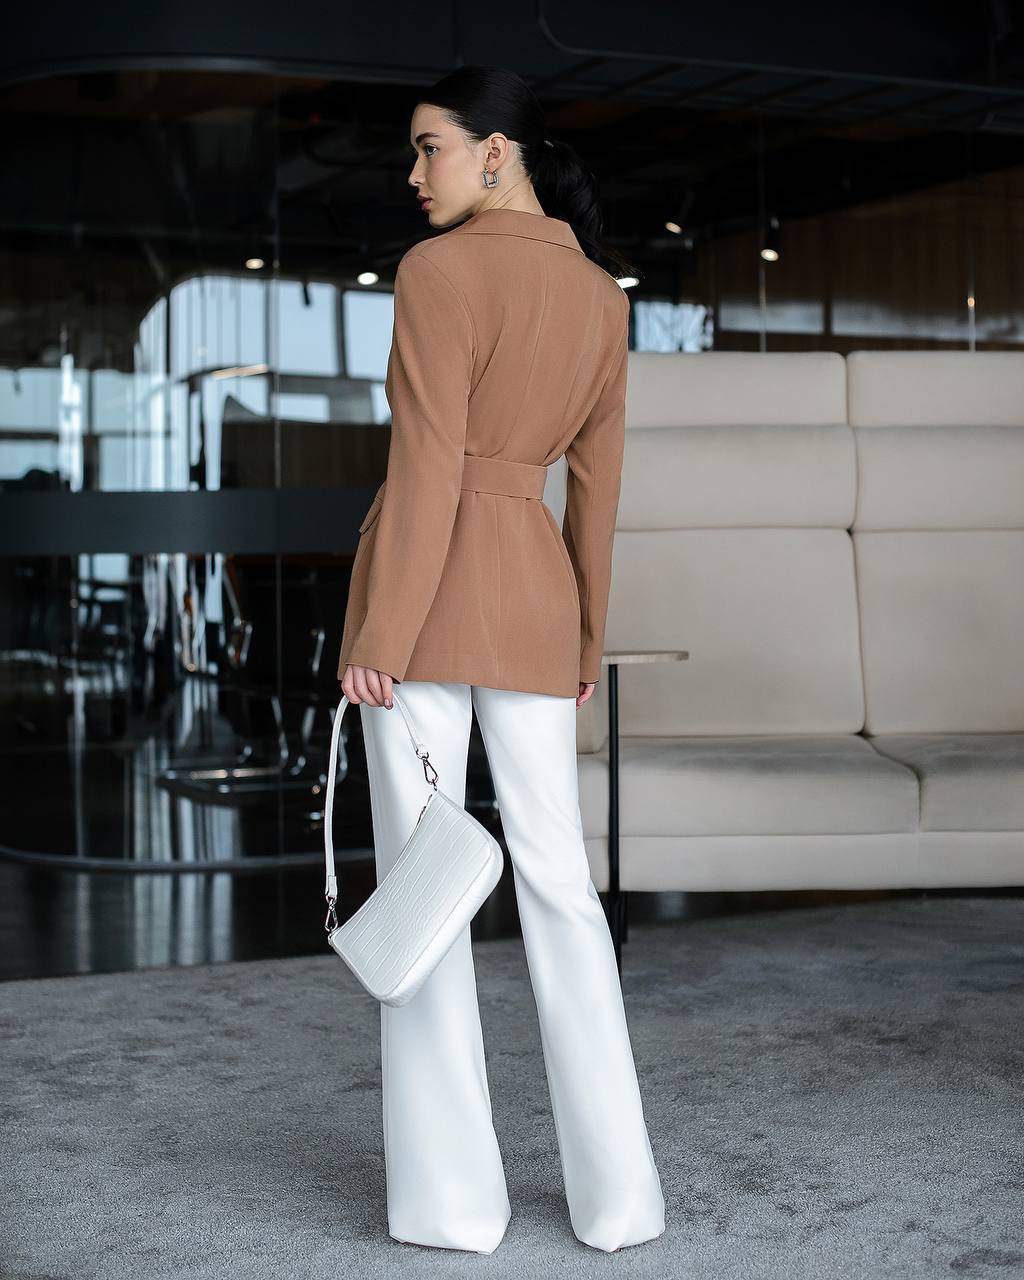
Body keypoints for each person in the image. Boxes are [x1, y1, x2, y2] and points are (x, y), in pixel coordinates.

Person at [337, 64, 665, 1255]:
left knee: (423, 889)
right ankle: (620, 1199)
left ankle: (454, 1204)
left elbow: (427, 464)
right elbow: (599, 489)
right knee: (561, 887)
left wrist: (379, 633)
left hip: (424, 612)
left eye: (428, 146)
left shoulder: (436, 272)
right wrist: (585, 638)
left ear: (495, 151)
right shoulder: (599, 297)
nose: (412, 172)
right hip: (533, 599)